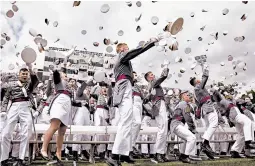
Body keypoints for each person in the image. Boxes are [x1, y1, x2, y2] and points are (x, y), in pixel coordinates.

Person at [106, 38, 158, 166]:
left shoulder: (125, 62)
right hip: (123, 87)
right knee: (125, 121)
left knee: (128, 122)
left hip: (126, 86)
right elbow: (136, 52)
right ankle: (114, 155)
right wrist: (149, 43)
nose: (128, 49)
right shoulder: (121, 56)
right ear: (122, 49)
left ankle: (123, 153)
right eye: (127, 47)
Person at [1, 64, 39, 166]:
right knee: (5, 133)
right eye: (23, 74)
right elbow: (6, 98)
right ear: (19, 75)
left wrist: (31, 69)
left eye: (26, 74)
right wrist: (3, 110)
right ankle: (3, 158)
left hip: (26, 106)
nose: (25, 75)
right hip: (14, 105)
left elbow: (36, 81)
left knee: (26, 133)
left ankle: (21, 158)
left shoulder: (29, 85)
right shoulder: (11, 85)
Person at [40, 64, 72, 166]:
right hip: (59, 102)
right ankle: (43, 149)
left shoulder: (69, 86)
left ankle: (58, 155)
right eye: (65, 75)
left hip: (67, 104)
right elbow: (57, 75)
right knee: (54, 126)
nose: (66, 77)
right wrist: (55, 70)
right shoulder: (58, 82)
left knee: (62, 131)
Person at [212, 89, 255, 157]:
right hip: (234, 115)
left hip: (234, 115)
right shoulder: (221, 102)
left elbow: (239, 101)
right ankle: (248, 141)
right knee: (248, 121)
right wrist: (215, 90)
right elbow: (217, 96)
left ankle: (234, 150)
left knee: (241, 134)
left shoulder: (227, 101)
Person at [189, 64, 218, 159]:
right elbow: (205, 78)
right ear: (197, 81)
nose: (199, 80)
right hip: (208, 107)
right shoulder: (198, 87)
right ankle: (205, 143)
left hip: (204, 109)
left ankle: (207, 148)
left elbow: (198, 104)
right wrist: (205, 68)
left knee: (208, 128)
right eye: (198, 80)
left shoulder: (196, 90)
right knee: (214, 123)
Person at [143, 65, 169, 163]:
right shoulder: (153, 82)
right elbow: (163, 76)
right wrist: (165, 67)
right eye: (151, 74)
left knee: (164, 130)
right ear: (148, 78)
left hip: (160, 104)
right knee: (162, 129)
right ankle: (158, 153)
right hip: (158, 105)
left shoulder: (152, 84)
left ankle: (161, 153)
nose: (153, 75)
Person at [170, 90, 198, 164]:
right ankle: (185, 157)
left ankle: (183, 155)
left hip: (176, 124)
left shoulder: (184, 104)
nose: (190, 96)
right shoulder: (184, 104)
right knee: (192, 138)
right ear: (183, 96)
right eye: (188, 95)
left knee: (187, 139)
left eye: (190, 95)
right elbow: (188, 117)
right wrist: (193, 128)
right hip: (177, 124)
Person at [130, 71, 143, 158]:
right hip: (133, 102)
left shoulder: (137, 86)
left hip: (139, 104)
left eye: (136, 75)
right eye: (134, 75)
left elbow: (143, 96)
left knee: (137, 126)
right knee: (137, 123)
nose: (136, 76)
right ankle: (130, 147)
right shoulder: (129, 84)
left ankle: (131, 147)